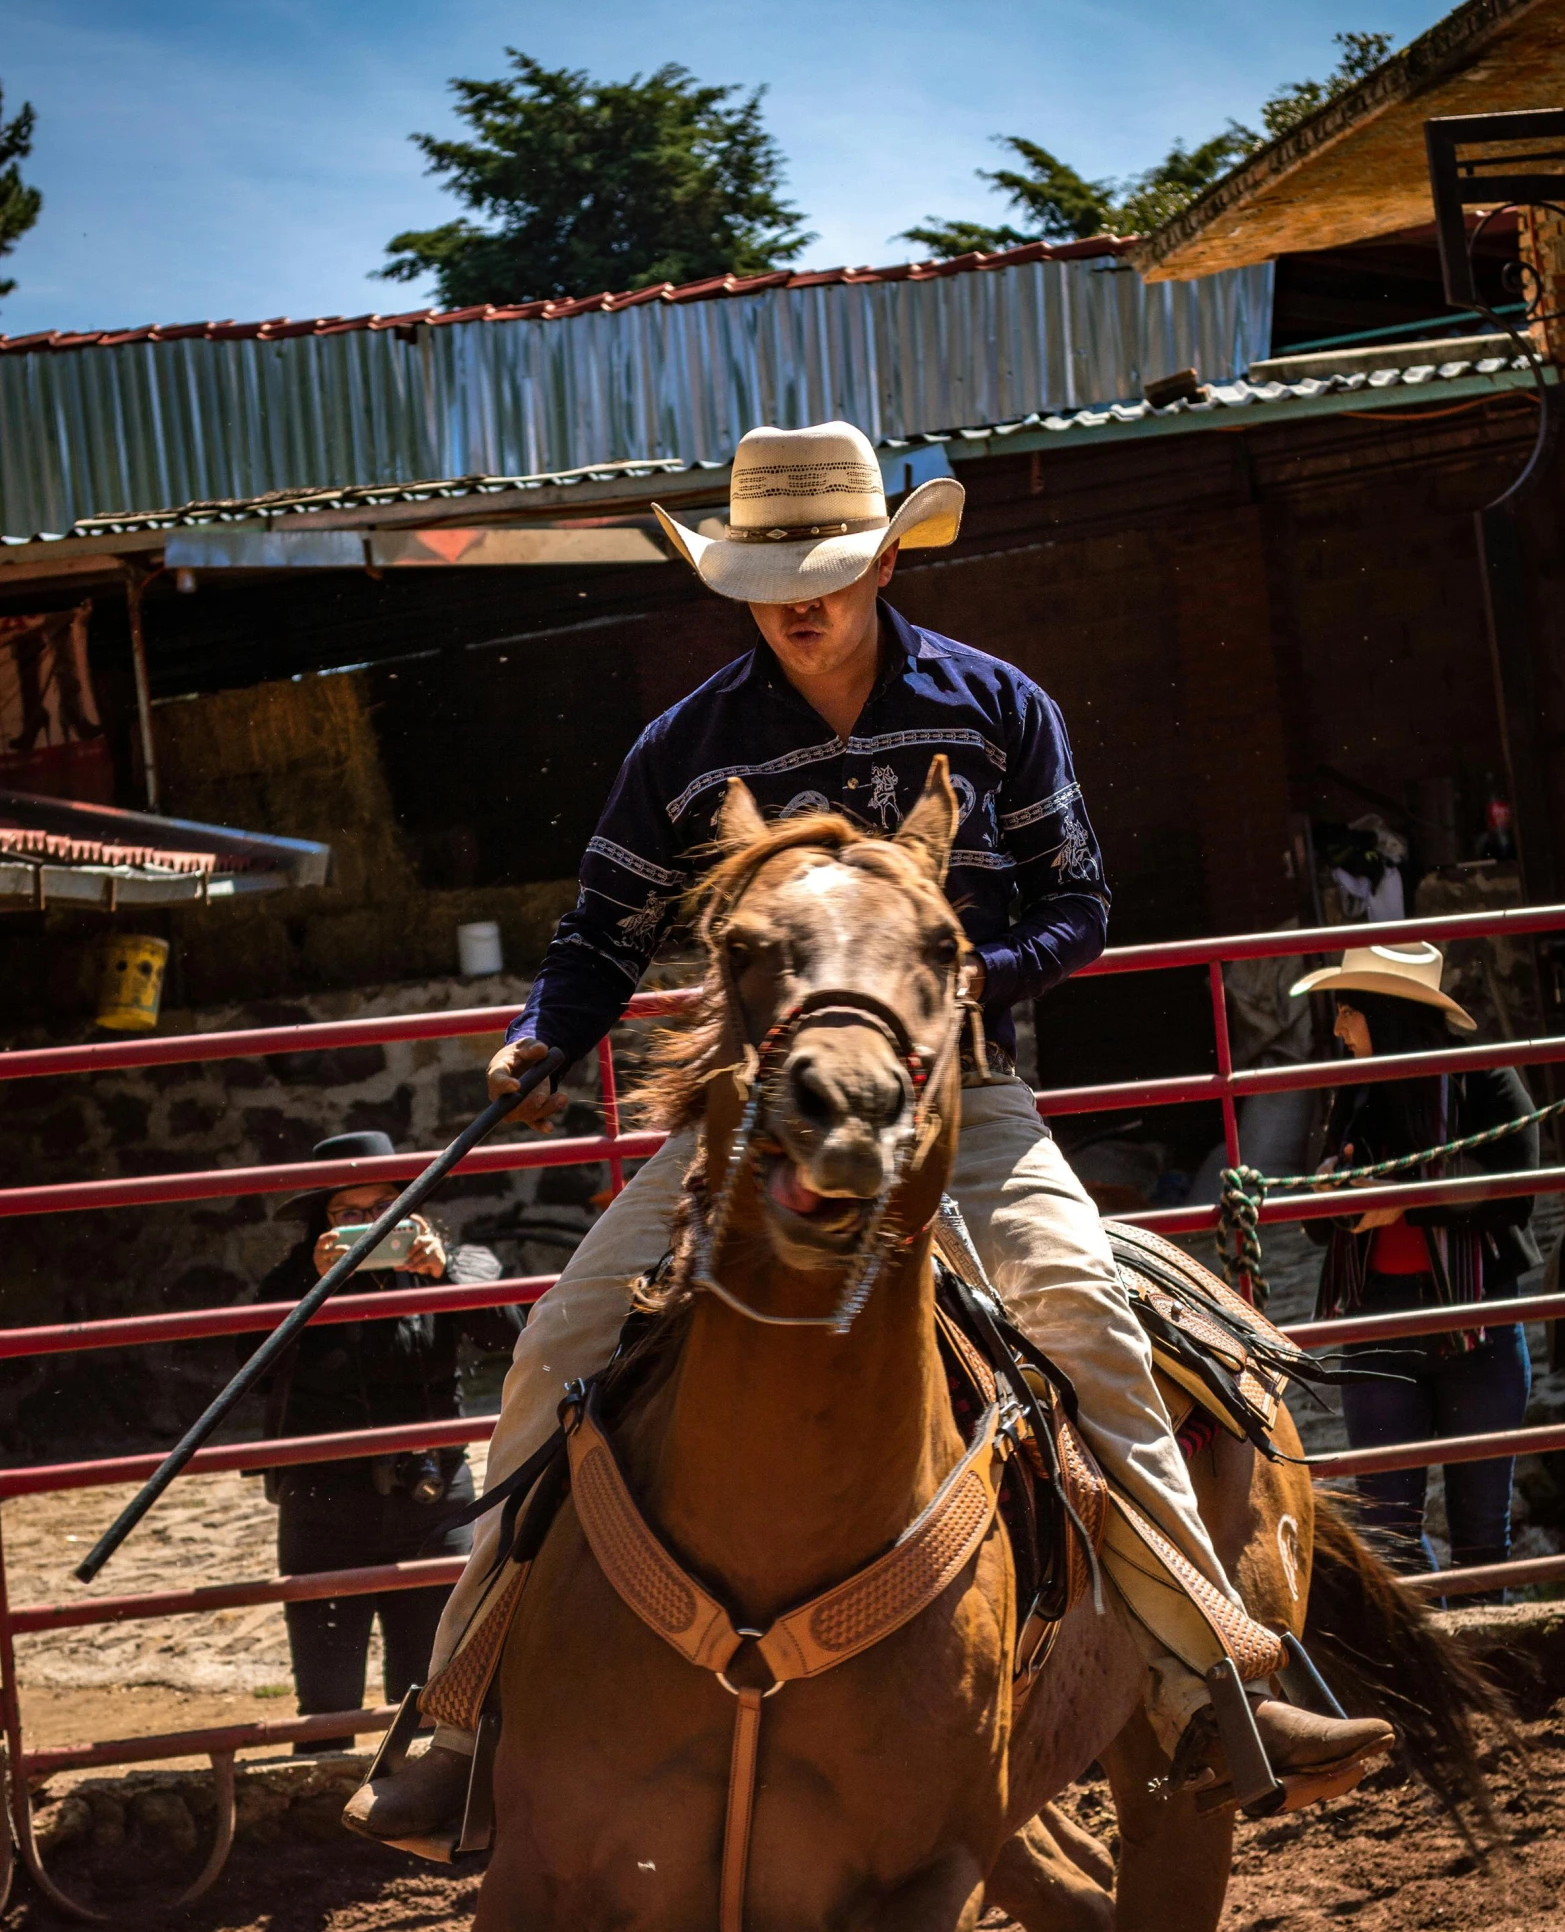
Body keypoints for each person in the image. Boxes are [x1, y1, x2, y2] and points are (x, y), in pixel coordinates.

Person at [348, 420, 1389, 1840]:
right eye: (771, 568)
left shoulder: (995, 705)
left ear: (887, 557)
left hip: (961, 1101)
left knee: (1082, 1308)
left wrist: (945, 991)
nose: (800, 595)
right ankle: (464, 1717)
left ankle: (1213, 1676)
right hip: (749, 1125)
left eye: (827, 564)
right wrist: (546, 1032)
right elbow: (601, 928)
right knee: (554, 1343)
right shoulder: (688, 744)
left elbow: (1074, 904)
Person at [257, 1130, 523, 1745]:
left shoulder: (459, 1263)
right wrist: (311, 1289)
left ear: (414, 1208)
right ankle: (323, 1816)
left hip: (431, 1498)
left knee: (432, 1700)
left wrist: (445, 1272)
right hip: (324, 1502)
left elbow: (514, 1335)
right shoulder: (291, 1281)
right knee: (325, 1710)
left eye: (383, 1208)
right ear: (320, 1227)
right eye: (348, 1213)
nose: (369, 1224)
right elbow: (252, 1366)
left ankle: (417, 1823)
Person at [1291, 941, 1539, 1592]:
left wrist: (1401, 1204)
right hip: (1376, 1322)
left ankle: (1493, 1672)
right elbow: (1316, 1222)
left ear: (1386, 1014)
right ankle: (1428, 1672)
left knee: (1482, 1533)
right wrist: (1331, 1197)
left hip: (1474, 1323)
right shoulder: (1348, 1090)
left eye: (1348, 1011)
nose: (1339, 1027)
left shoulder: (1482, 1078)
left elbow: (1515, 1189)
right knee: (1387, 1537)